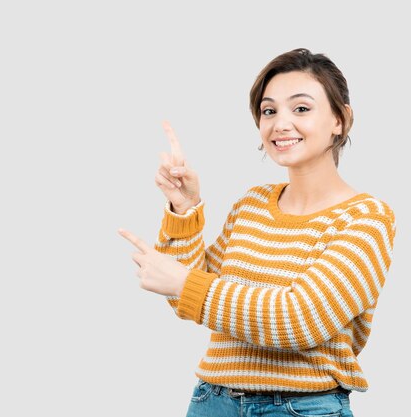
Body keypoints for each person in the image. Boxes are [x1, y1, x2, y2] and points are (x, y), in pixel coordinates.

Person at [118, 48, 396, 417]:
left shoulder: (367, 218)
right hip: (211, 400)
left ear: (340, 119)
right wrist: (185, 210)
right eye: (269, 111)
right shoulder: (253, 203)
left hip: (301, 407)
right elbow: (186, 299)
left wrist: (186, 284)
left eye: (301, 108)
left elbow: (299, 321)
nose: (280, 124)